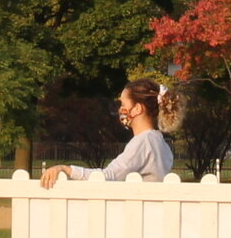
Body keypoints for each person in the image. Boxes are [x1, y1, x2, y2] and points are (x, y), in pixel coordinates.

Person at [40, 79, 177, 188]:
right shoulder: (159, 141)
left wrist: (67, 169)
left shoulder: (143, 141)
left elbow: (109, 175)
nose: (120, 110)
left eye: (123, 105)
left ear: (136, 109)